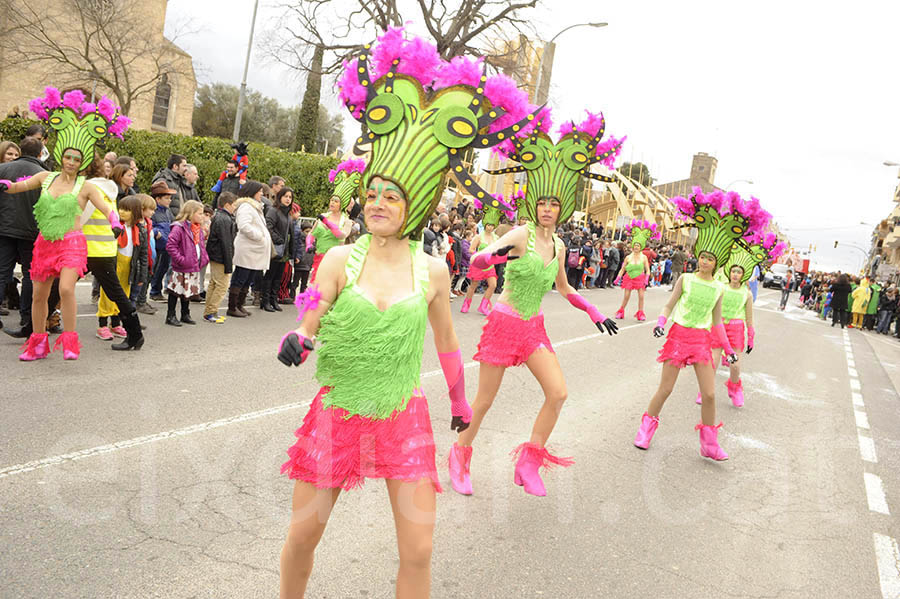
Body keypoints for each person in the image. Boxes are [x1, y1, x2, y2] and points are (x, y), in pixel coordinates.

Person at [275, 28, 553, 596]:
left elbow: (448, 341)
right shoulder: (335, 259)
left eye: (391, 196)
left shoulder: (432, 269)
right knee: (304, 536)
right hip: (339, 411)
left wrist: (456, 400)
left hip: (403, 413)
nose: (377, 203)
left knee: (420, 549)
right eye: (372, 193)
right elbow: (313, 307)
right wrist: (300, 335)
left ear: (416, 204)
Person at [452, 109, 624, 497]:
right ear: (534, 205)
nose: (547, 209)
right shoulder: (521, 233)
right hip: (504, 323)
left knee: (558, 392)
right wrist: (490, 258)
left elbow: (564, 288)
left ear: (561, 209)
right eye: (542, 203)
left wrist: (594, 310)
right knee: (483, 401)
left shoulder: (560, 245)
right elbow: (483, 258)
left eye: (554, 205)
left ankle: (529, 461)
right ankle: (460, 454)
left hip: (533, 329)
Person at [634, 187, 769, 460]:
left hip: (701, 342)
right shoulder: (686, 279)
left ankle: (709, 444)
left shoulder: (719, 288)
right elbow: (669, 305)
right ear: (698, 256)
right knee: (666, 389)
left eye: (711, 258)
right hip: (678, 336)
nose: (705, 261)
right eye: (703, 256)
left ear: (716, 262)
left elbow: (717, 322)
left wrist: (730, 350)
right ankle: (646, 428)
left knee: (708, 394)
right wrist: (661, 321)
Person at [3, 87, 129, 359]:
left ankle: (70, 343)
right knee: (38, 295)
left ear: (82, 162)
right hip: (45, 243)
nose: (71, 162)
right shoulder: (45, 178)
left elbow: (105, 205)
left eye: (76, 159)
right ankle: (37, 344)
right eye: (68, 157)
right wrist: (5, 185)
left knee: (66, 288)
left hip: (71, 244)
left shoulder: (86, 186)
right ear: (61, 156)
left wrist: (114, 221)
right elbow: (18, 186)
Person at [0, 137, 46, 337]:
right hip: (31, 230)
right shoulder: (44, 175)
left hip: (4, 228)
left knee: (2, 272)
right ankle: (27, 316)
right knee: (29, 274)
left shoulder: (3, 169)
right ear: (39, 154)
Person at [94, 195, 147, 347]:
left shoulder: (140, 230)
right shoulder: (116, 227)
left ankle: (116, 323)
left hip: (129, 267)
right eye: (121, 209)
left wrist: (142, 275)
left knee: (124, 295)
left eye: (127, 210)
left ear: (136, 212)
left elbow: (143, 254)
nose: (122, 212)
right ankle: (102, 325)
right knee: (107, 295)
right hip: (113, 265)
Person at [306, 159, 364, 282]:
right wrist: (309, 244)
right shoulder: (322, 216)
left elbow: (341, 235)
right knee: (316, 287)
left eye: (336, 201)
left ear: (342, 204)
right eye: (332, 200)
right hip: (319, 258)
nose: (332, 202)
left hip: (335, 259)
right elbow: (311, 233)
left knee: (330, 289)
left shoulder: (347, 221)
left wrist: (327, 223)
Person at [461, 196, 513, 315]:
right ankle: (466, 303)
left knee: (493, 285)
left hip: (489, 266)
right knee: (473, 285)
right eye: (488, 225)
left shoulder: (496, 237)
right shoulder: (479, 237)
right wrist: (478, 256)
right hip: (479, 265)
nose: (490, 227)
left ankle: (483, 306)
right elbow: (471, 249)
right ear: (485, 224)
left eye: (492, 225)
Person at [227, 181, 272, 317]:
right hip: (248, 249)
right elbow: (244, 225)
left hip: (254, 250)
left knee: (248, 278)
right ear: (252, 192)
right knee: (240, 277)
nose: (262, 194)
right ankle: (233, 306)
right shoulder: (246, 206)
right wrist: (259, 236)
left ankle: (240, 305)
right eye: (259, 192)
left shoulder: (255, 206)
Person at [164, 200, 208, 326]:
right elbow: (171, 246)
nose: (202, 216)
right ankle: (170, 315)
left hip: (194, 264)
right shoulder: (179, 227)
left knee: (187, 291)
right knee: (176, 290)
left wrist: (203, 258)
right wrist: (181, 259)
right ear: (190, 213)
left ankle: (185, 313)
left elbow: (200, 245)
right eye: (199, 213)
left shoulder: (197, 228)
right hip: (182, 266)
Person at [614, 219, 658, 321]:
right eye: (635, 246)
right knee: (626, 296)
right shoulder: (628, 257)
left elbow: (647, 269)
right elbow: (622, 269)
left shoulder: (644, 257)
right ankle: (621, 311)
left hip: (640, 278)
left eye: (638, 246)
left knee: (641, 296)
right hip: (629, 278)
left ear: (641, 247)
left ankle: (640, 313)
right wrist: (618, 277)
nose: (636, 247)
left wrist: (647, 278)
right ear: (633, 247)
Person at [204, 191, 237, 323]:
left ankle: (210, 310)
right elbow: (226, 242)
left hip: (216, 255)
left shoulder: (219, 217)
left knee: (214, 283)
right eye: (234, 204)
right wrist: (229, 264)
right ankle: (211, 312)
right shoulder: (224, 219)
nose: (235, 207)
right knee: (221, 285)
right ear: (227, 205)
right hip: (221, 257)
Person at [261, 186, 295, 312]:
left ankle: (273, 300)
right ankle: (265, 301)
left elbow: (290, 234)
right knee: (270, 276)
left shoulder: (288, 215)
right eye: (285, 196)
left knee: (278, 277)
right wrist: (278, 239)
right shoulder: (273, 211)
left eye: (290, 197)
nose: (288, 199)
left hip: (284, 251)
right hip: (275, 248)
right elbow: (268, 226)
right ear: (280, 197)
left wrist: (292, 252)